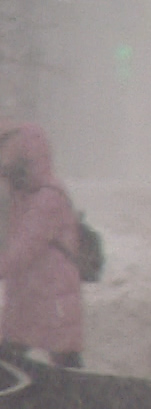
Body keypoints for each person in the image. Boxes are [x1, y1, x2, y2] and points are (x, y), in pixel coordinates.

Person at [0, 125, 83, 369]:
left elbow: (23, 249)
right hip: (30, 294)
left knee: (65, 365)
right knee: (11, 357)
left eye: (13, 168)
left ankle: (80, 403)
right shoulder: (22, 197)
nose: (9, 177)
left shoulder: (47, 198)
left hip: (52, 295)